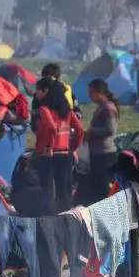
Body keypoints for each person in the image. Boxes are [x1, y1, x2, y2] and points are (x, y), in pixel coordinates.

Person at [34, 77, 84, 212]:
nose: (36, 93)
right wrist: (73, 147)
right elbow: (79, 128)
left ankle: (48, 215)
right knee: (64, 189)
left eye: (38, 90)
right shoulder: (67, 110)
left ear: (46, 91)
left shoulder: (44, 109)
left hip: (49, 155)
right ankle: (66, 214)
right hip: (65, 153)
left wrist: (48, 146)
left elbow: (51, 126)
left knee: (47, 188)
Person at [85, 78, 120, 204]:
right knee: (98, 186)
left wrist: (92, 132)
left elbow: (110, 129)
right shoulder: (101, 107)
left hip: (105, 153)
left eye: (91, 92)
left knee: (104, 187)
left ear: (99, 92)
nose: (89, 95)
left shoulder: (108, 108)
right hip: (97, 152)